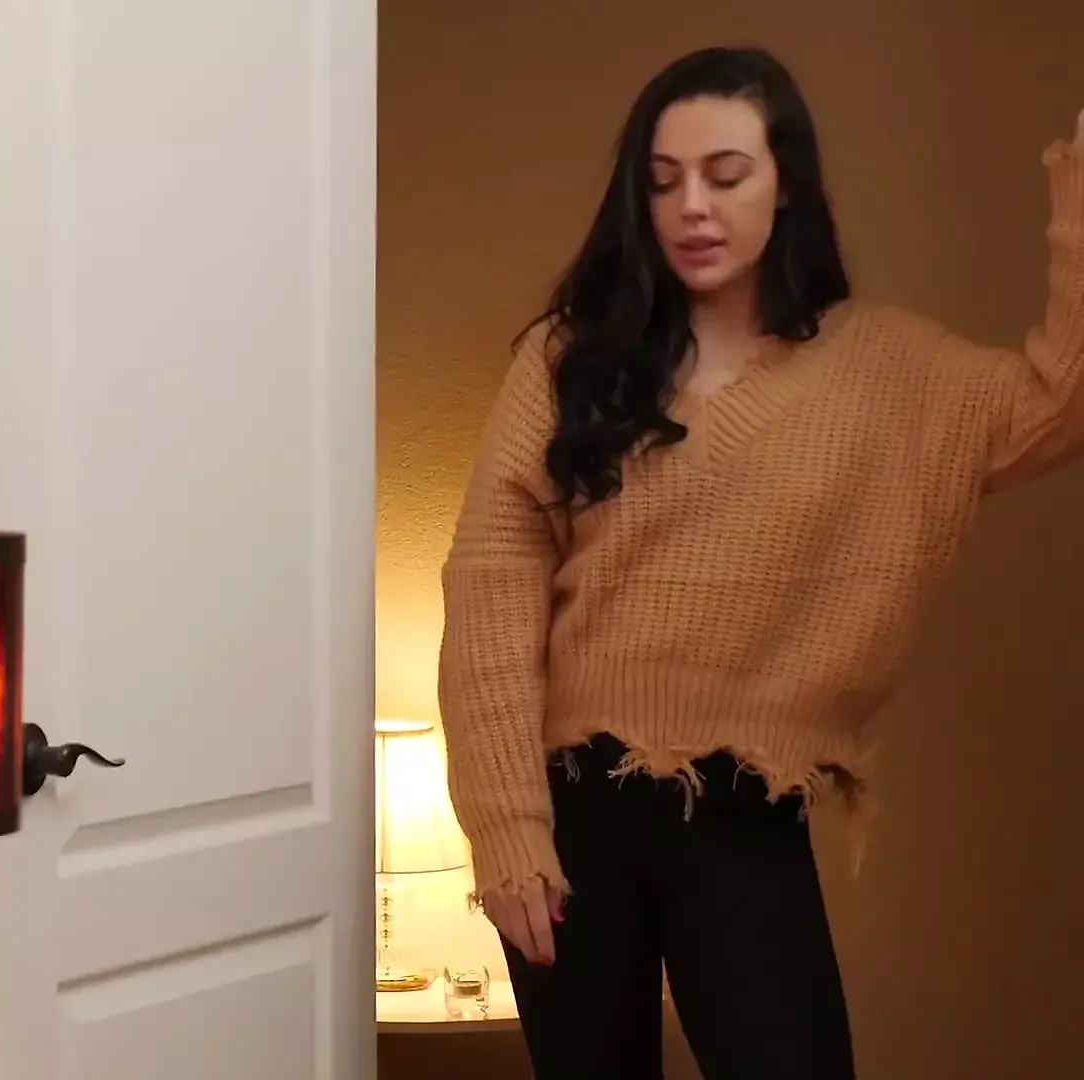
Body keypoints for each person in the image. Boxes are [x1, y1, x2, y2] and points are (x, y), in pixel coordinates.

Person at [438, 45, 1084, 1080]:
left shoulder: (886, 365)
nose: (693, 206)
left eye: (727, 174)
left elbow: (1061, 398)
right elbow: (489, 586)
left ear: (786, 185)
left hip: (744, 814)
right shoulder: (570, 359)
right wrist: (506, 828)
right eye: (664, 181)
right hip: (572, 814)